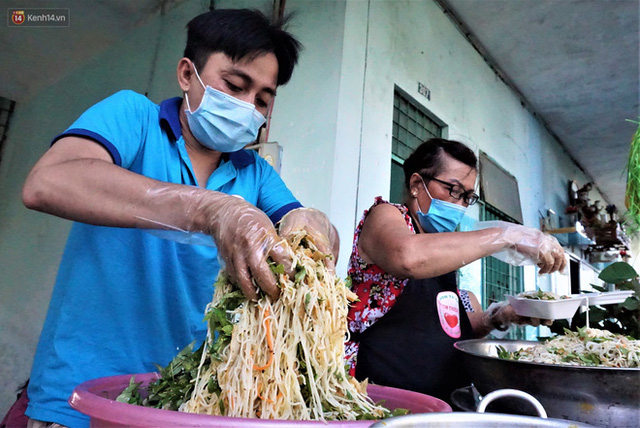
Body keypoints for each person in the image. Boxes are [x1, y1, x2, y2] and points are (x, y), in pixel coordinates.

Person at [6, 9, 338, 428]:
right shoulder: (134, 118)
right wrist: (211, 209)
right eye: (234, 86)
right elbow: (50, 182)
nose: (247, 107)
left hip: (190, 404)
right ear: (187, 74)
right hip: (83, 399)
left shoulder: (256, 173)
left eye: (262, 100)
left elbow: (299, 222)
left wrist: (313, 226)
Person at [344, 138, 566, 403]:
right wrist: (506, 234)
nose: (460, 205)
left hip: (445, 401)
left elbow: (448, 327)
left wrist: (501, 316)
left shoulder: (440, 246)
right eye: (453, 190)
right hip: (384, 401)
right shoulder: (386, 216)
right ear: (417, 184)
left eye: (468, 197)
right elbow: (407, 257)